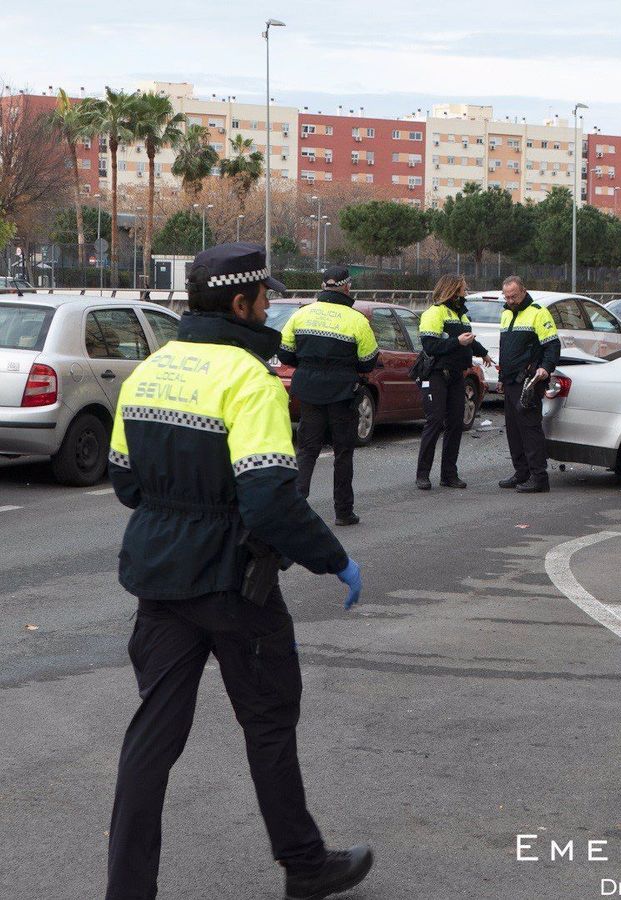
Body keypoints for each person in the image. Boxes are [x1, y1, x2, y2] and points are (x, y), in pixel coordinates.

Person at [104, 243, 371, 900]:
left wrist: (178, 507)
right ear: (241, 303)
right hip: (236, 585)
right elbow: (270, 499)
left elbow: (124, 483)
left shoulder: (150, 370)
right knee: (270, 721)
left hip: (160, 582)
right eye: (265, 298)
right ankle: (305, 866)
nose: (271, 306)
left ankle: (127, 891)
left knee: (152, 738)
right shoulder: (250, 380)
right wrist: (333, 559)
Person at [278, 266, 378, 525]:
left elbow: (285, 353)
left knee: (307, 450)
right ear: (347, 287)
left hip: (309, 392)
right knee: (343, 453)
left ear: (323, 287)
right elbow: (368, 362)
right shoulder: (356, 320)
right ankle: (343, 512)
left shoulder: (301, 315)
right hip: (343, 394)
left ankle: (295, 508)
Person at [414, 274, 490, 490]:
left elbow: (468, 339)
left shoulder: (460, 315)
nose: (466, 293)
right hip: (436, 374)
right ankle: (422, 474)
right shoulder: (434, 312)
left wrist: (482, 352)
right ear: (453, 290)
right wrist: (456, 341)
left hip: (457, 375)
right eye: (464, 289)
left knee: (456, 424)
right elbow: (430, 346)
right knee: (435, 421)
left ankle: (449, 474)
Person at [495, 275, 561, 493]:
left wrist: (546, 367)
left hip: (529, 382)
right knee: (514, 430)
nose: (510, 300)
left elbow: (552, 345)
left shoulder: (538, 312)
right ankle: (521, 472)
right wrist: (502, 378)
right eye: (507, 296)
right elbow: (505, 350)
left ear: (523, 291)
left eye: (513, 296)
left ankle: (539, 477)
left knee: (530, 430)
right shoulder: (506, 313)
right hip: (511, 381)